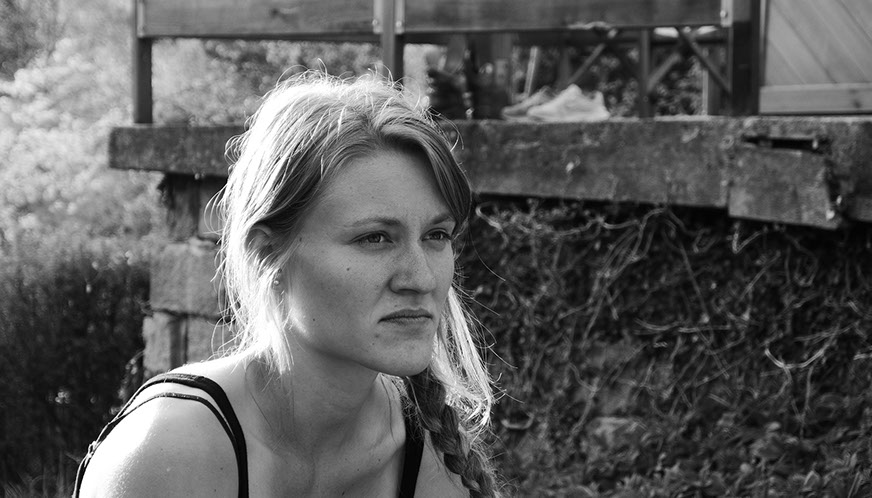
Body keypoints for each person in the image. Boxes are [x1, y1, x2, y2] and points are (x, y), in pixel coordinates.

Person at [74, 72, 501, 497]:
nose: (421, 278)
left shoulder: (431, 462)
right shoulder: (169, 454)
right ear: (268, 254)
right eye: (375, 238)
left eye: (436, 235)